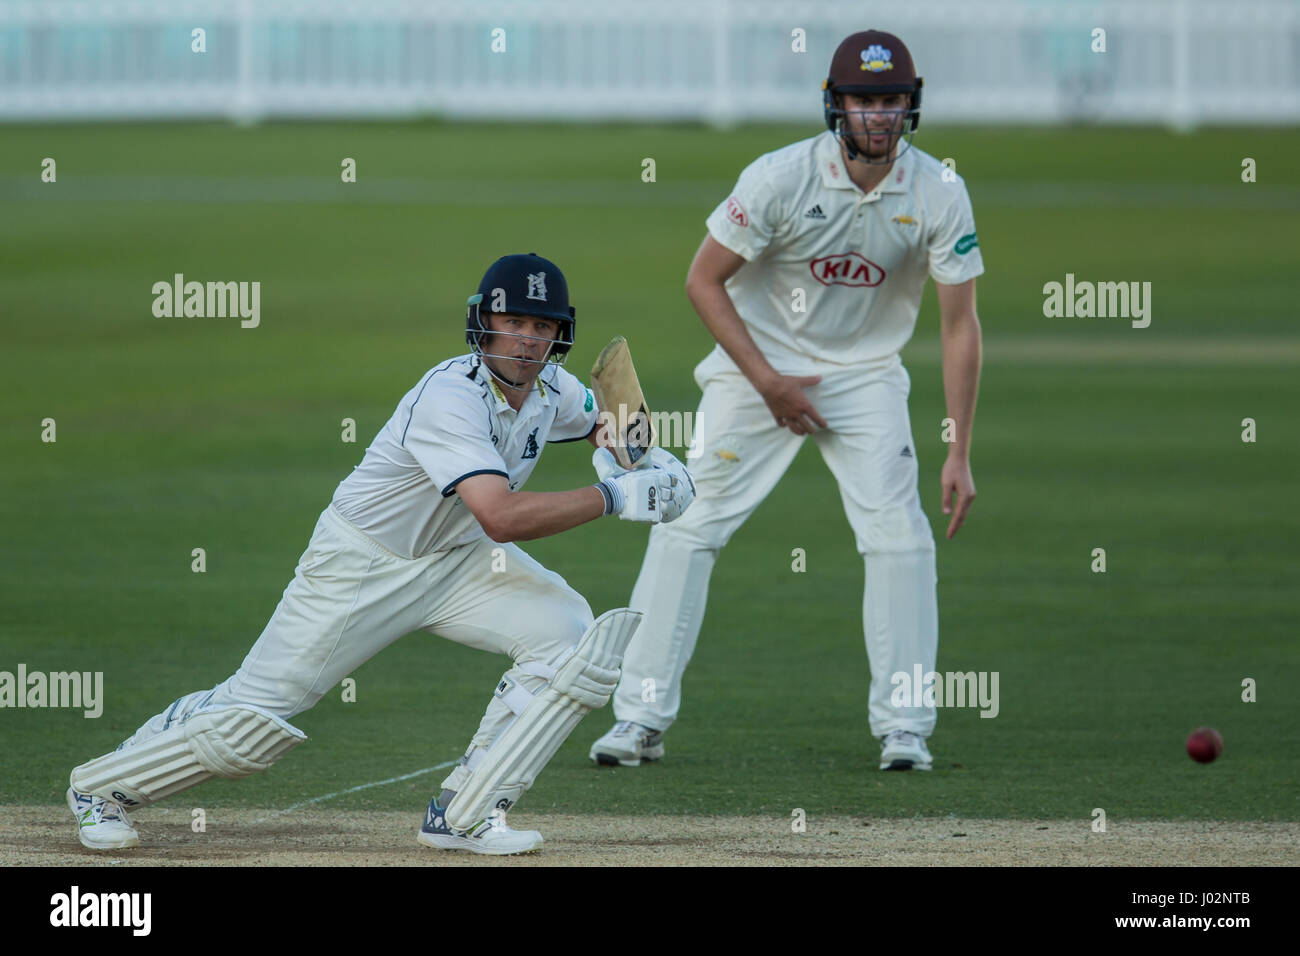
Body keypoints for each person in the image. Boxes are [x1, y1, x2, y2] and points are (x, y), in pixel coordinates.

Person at [66, 253, 695, 856]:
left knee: (570, 639)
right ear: (484, 323)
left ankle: (466, 813)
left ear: (559, 334)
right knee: (252, 721)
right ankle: (102, 786)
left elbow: (598, 420)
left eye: (542, 326)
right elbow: (501, 517)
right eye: (513, 324)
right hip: (362, 564)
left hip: (459, 564)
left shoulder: (550, 388)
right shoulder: (450, 398)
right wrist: (614, 495)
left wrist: (648, 456)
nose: (527, 341)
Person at [589, 30, 983, 772]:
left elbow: (960, 326)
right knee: (687, 523)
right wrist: (767, 381)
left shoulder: (940, 191)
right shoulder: (778, 178)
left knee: (899, 538)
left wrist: (959, 447)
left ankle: (905, 726)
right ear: (837, 106)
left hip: (864, 376)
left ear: (911, 105)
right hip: (756, 367)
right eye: (864, 101)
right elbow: (702, 280)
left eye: (891, 100)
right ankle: (638, 718)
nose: (878, 116)